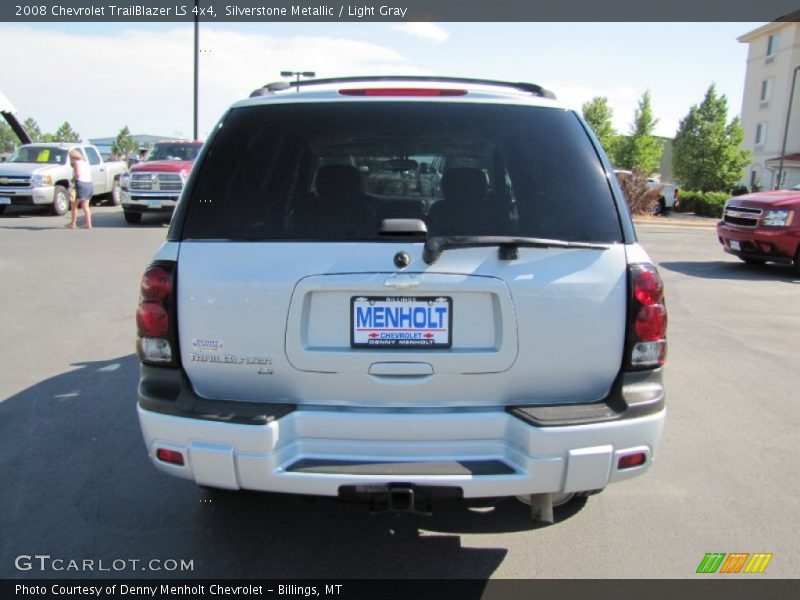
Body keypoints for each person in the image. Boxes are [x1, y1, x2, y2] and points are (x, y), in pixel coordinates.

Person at [68, 148, 93, 229]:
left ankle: (73, 223)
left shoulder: (76, 162)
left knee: (74, 205)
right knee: (85, 206)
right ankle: (88, 224)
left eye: (70, 158)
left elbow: (77, 174)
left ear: (73, 157)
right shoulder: (85, 163)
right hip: (89, 184)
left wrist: (72, 179)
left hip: (80, 184)